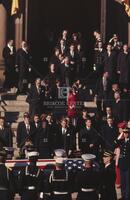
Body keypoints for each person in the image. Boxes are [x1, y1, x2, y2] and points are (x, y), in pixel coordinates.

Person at [115, 129, 130, 200]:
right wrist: (120, 135)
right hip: (122, 164)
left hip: (128, 164)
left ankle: (127, 196)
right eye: (124, 133)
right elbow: (115, 143)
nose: (125, 134)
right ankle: (123, 195)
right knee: (122, 181)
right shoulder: (121, 141)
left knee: (128, 182)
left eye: (127, 133)